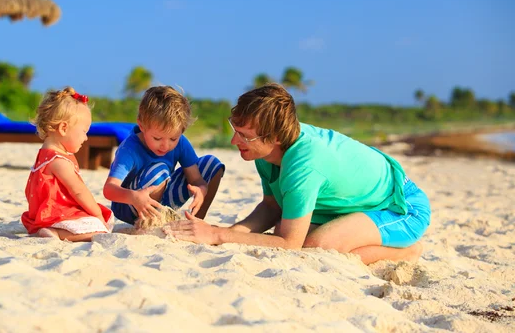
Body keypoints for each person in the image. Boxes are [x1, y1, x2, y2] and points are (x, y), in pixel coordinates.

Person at [165, 83, 431, 265]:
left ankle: (407, 251)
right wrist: (227, 233)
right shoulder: (266, 151)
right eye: (235, 129)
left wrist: (217, 235)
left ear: (276, 137)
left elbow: (289, 244)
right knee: (284, 224)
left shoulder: (304, 165)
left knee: (315, 246)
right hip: (353, 203)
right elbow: (271, 206)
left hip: (400, 207)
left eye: (245, 136)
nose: (235, 142)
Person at [103, 86, 225, 225]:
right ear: (142, 126)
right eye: (157, 138)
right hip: (131, 204)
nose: (165, 146)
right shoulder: (129, 149)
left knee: (212, 163)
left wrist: (201, 189)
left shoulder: (181, 143)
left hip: (164, 197)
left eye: (173, 139)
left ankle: (196, 221)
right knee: (159, 169)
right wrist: (134, 197)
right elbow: (109, 189)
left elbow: (196, 179)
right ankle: (149, 223)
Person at [22, 87, 114, 241]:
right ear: (64, 128)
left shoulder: (44, 156)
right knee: (100, 228)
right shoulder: (59, 161)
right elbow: (79, 191)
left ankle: (51, 230)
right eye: (84, 132)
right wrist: (97, 214)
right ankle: (57, 233)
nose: (85, 138)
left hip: (41, 214)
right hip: (57, 215)